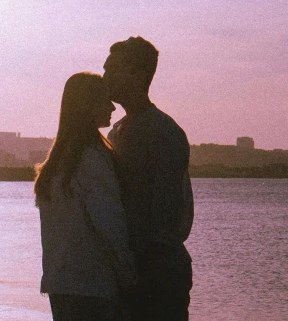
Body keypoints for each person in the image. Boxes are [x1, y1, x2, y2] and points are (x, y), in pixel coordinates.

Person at [103, 36, 194, 320]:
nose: (104, 77)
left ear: (137, 74)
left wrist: (139, 266)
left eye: (112, 69)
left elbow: (168, 211)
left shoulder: (163, 132)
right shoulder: (116, 132)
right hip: (131, 271)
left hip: (156, 275)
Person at [35, 72, 137, 321]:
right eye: (104, 99)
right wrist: (130, 276)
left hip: (61, 285)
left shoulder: (57, 164)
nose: (112, 106)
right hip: (92, 288)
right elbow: (110, 222)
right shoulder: (90, 158)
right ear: (88, 104)